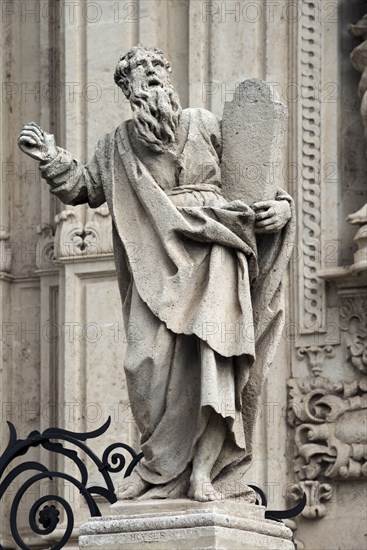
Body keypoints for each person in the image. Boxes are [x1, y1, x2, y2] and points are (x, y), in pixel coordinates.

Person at [18, 45, 295, 502]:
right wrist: (51, 157)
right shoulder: (117, 145)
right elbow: (84, 187)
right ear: (127, 91)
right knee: (145, 365)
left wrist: (282, 206)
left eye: (153, 71)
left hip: (217, 249)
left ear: (167, 78)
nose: (147, 81)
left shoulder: (203, 123)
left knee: (215, 361)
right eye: (135, 77)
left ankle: (204, 471)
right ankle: (158, 468)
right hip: (153, 263)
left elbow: (252, 180)